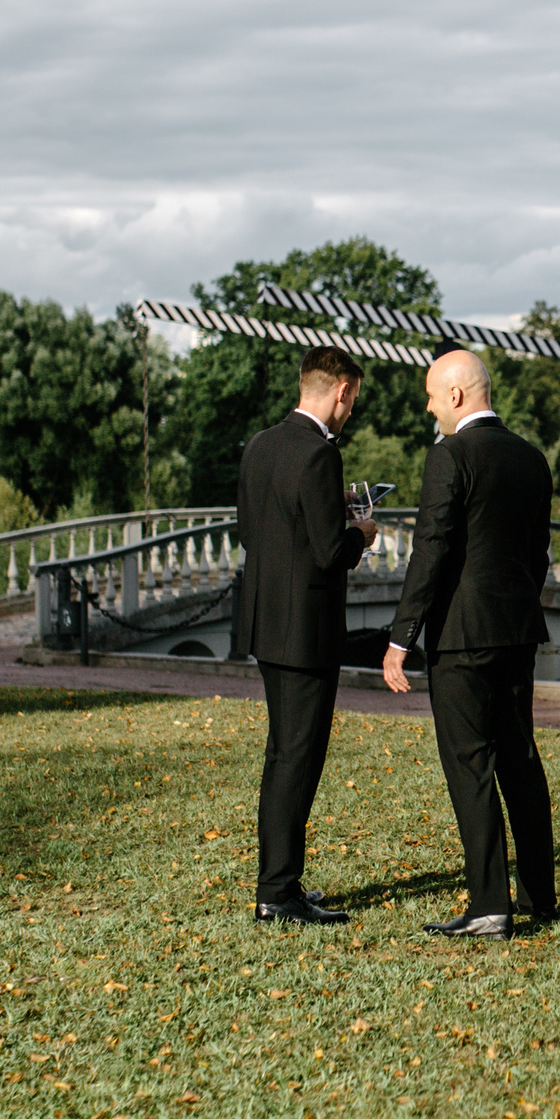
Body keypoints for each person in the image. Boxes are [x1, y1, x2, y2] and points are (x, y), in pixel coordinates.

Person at [378, 348, 558, 943]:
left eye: (432, 396)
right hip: (518, 628)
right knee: (520, 759)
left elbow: (430, 550)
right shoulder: (532, 459)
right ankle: (538, 893)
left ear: (457, 395)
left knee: (471, 764)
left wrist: (401, 637)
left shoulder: (449, 455)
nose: (429, 408)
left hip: (461, 635)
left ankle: (489, 905)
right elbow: (538, 556)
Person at [235, 345, 379, 926]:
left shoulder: (260, 445)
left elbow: (254, 529)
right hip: (306, 631)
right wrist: (361, 532)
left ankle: (280, 881)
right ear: (340, 390)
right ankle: (278, 893)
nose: (351, 413)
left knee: (281, 754)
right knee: (298, 757)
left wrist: (327, 509)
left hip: (267, 622)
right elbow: (327, 551)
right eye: (353, 400)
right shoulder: (320, 454)